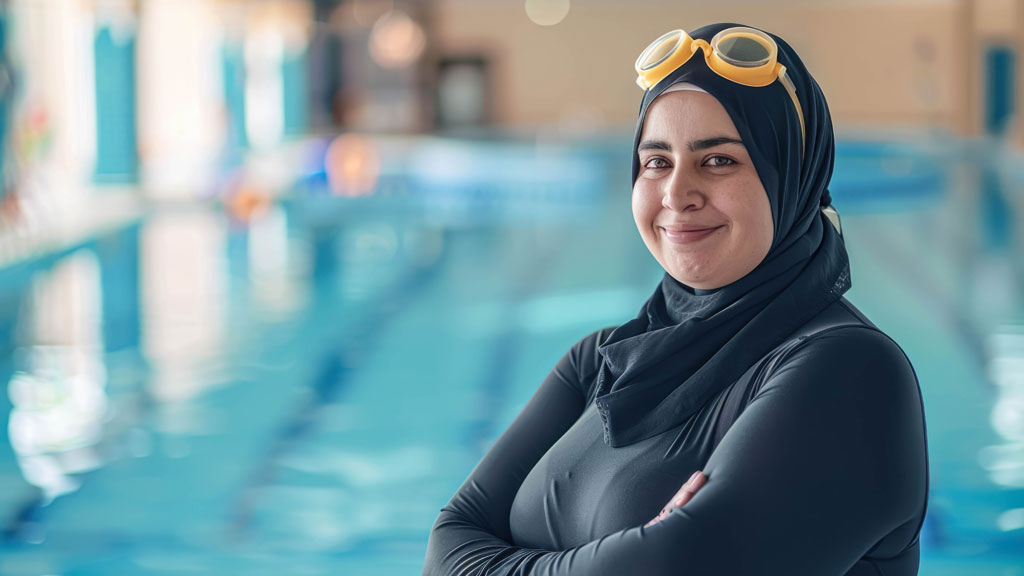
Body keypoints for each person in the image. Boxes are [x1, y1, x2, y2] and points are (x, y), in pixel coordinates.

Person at [422, 22, 929, 575]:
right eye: (657, 160)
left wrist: (515, 559)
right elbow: (447, 545)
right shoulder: (601, 361)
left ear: (792, 176)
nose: (676, 194)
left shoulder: (850, 370)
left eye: (719, 161)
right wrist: (636, 549)